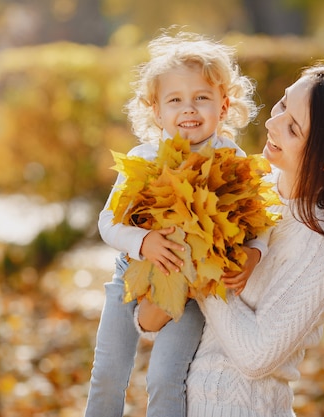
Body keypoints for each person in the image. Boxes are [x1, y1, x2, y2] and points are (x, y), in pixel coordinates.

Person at [137, 63, 324, 416]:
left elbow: (257, 357)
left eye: (292, 127)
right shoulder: (245, 184)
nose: (272, 123)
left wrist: (202, 265)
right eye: (283, 105)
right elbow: (151, 321)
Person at [84, 31, 265, 417]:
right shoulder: (144, 157)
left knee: (167, 376)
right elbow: (107, 222)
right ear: (156, 110)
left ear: (224, 104)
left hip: (191, 289)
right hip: (131, 274)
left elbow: (257, 217)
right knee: (108, 373)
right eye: (175, 100)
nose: (189, 109)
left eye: (202, 97)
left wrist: (254, 253)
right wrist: (143, 240)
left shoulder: (230, 158)